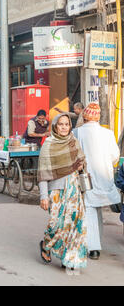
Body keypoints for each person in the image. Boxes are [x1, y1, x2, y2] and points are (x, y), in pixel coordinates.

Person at [38, 113, 87, 275]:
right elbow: (43, 173)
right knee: (56, 224)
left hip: (74, 189)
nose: (64, 127)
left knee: (74, 225)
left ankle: (69, 257)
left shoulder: (73, 141)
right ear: (55, 127)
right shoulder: (49, 145)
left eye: (67, 124)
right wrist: (44, 196)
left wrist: (81, 166)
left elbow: (82, 162)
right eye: (61, 124)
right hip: (57, 191)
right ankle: (46, 244)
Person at [73, 103, 121, 261]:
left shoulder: (77, 132)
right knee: (98, 210)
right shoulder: (108, 133)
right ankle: (96, 243)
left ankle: (93, 248)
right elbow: (115, 156)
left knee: (90, 211)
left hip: (87, 179)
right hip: (105, 178)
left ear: (85, 116)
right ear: (98, 117)